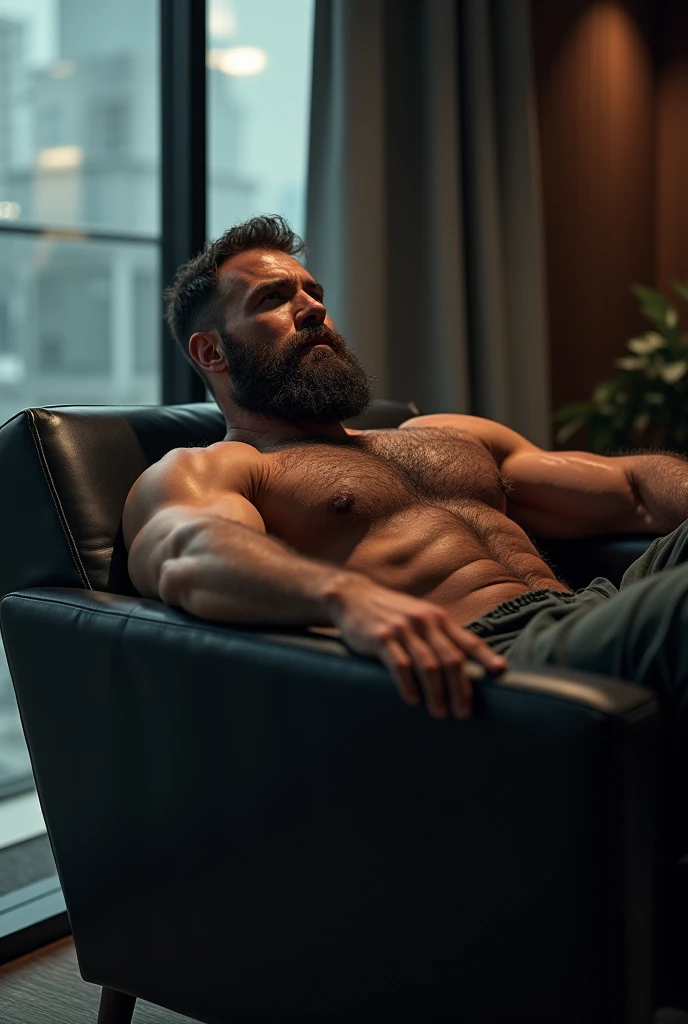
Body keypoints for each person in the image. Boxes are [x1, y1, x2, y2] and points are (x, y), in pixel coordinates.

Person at [123, 214, 688, 733]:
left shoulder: (447, 436)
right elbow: (187, 554)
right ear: (212, 352)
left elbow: (632, 488)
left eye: (314, 293)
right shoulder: (216, 468)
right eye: (273, 298)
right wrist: (341, 595)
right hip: (491, 656)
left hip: (596, 608)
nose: (313, 308)